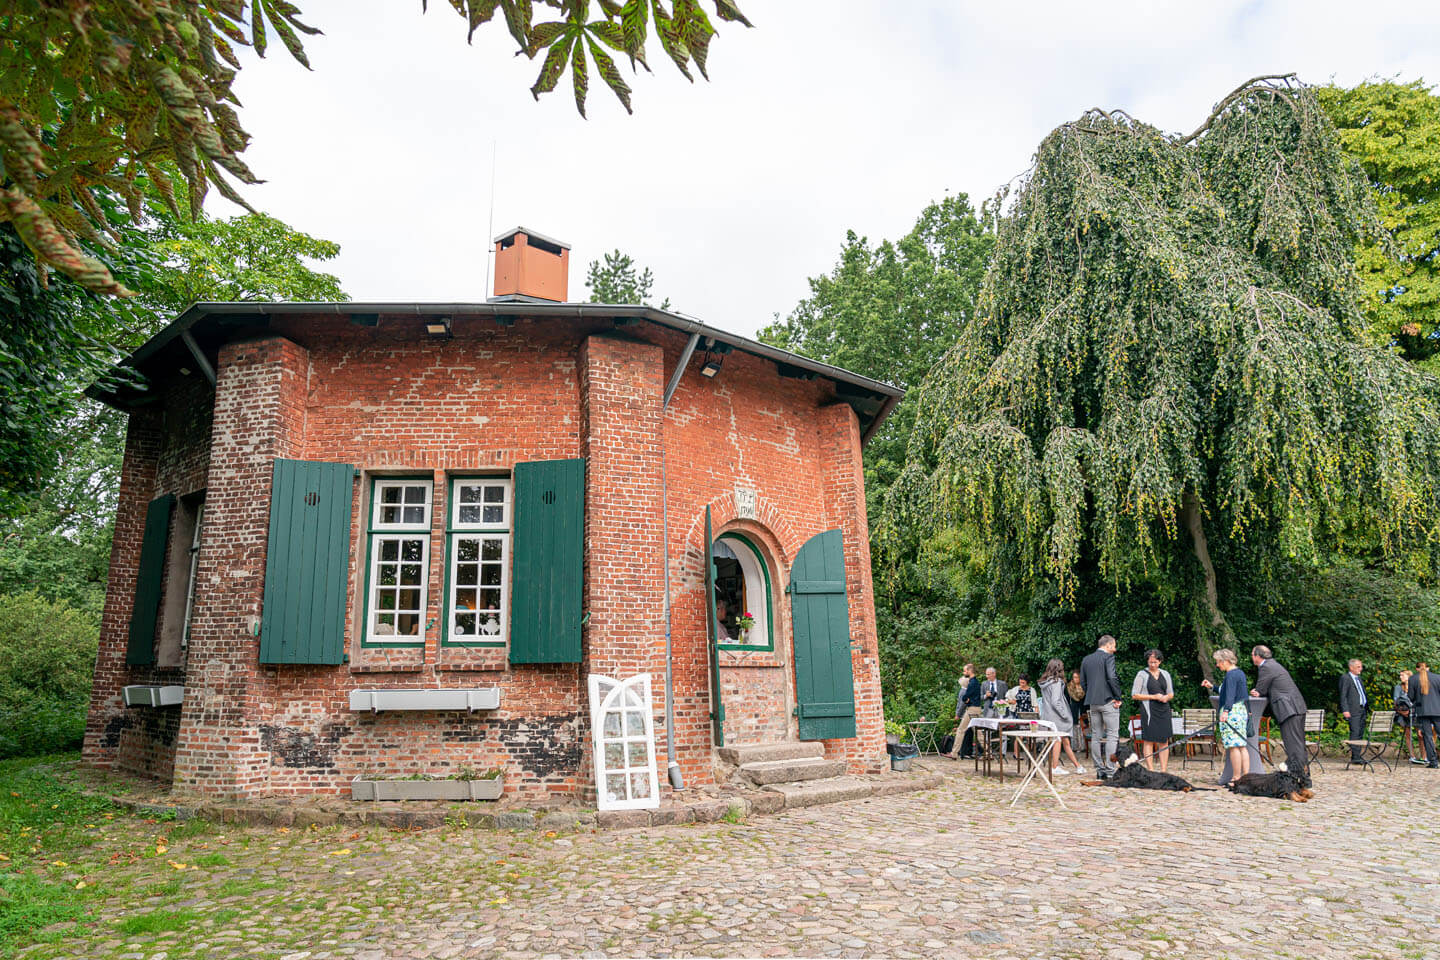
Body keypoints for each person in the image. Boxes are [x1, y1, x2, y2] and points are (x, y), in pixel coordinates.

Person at [1250, 645, 1308, 776]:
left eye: (1253, 654)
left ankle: (1297, 775)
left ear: (1258, 656)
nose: (1252, 657)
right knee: (1299, 743)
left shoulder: (1266, 667)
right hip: (1297, 707)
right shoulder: (1274, 664)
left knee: (1293, 745)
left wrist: (1256, 692)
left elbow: (1261, 690)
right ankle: (1304, 776)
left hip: (1288, 709)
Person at [1202, 648, 1250, 780]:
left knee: (1234, 746)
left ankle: (1236, 778)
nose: (1217, 665)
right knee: (1241, 745)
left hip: (1232, 712)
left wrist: (1226, 711)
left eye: (1218, 662)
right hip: (1240, 711)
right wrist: (1212, 687)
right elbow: (1226, 690)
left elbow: (1230, 695)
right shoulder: (1239, 673)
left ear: (1226, 661)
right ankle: (1246, 778)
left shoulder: (1230, 675)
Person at [1081, 634, 1123, 778]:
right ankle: (1110, 770)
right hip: (1108, 700)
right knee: (1112, 735)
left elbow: (1083, 682)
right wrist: (1117, 697)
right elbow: (1112, 677)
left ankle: (1099, 770)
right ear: (1108, 645)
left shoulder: (1086, 659)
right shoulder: (1108, 658)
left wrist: (1091, 694)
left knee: (1096, 736)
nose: (1115, 649)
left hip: (1093, 702)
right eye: (1114, 645)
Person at [1131, 649, 1174, 772]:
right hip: (1149, 710)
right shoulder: (1141, 674)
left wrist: (1166, 697)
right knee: (1149, 740)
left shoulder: (1165, 674)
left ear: (1160, 661)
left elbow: (1171, 693)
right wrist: (1154, 697)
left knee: (1164, 740)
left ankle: (1163, 770)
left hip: (1164, 709)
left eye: (1155, 662)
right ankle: (1150, 770)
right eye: (1150, 662)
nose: (1152, 665)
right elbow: (1135, 695)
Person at [1040, 659, 1085, 775]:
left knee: (1065, 741)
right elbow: (1056, 701)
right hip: (1057, 717)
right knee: (1059, 740)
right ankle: (1055, 767)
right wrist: (1065, 714)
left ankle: (1078, 766)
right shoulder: (1056, 682)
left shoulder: (1045, 682)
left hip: (1048, 715)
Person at [946, 663, 982, 759]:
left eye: (965, 670)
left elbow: (966, 696)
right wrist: (967, 699)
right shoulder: (975, 682)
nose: (963, 672)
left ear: (970, 671)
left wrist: (966, 699)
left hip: (972, 709)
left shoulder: (972, 683)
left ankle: (954, 753)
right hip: (975, 708)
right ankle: (989, 752)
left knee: (961, 730)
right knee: (978, 732)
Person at [1408, 662, 1440, 769]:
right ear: (1428, 668)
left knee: (1428, 736)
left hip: (1422, 711)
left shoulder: (1413, 679)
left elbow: (1410, 697)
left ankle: (1433, 762)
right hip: (1437, 710)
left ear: (1417, 669)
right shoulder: (1437, 677)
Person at [1339, 658, 1368, 764]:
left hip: (1362, 709)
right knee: (1355, 732)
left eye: (1361, 666)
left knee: (1360, 732)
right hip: (1353, 709)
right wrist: (1345, 709)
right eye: (1358, 667)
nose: (1361, 669)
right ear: (1351, 667)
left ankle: (1357, 755)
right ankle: (1355, 757)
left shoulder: (1359, 679)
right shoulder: (1345, 678)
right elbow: (1343, 695)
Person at [1395, 669, 1417, 763]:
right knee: (1408, 734)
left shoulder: (1415, 687)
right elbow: (1395, 701)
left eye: (1402, 675)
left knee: (1420, 734)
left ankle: (1424, 757)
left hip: (1415, 712)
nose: (1401, 677)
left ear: (1409, 676)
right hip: (1403, 713)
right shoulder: (1398, 687)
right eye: (1400, 675)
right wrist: (1402, 711)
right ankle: (1412, 756)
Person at [1066, 669, 1088, 758]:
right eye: (1074, 677)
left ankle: (1084, 746)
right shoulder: (1069, 687)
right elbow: (1067, 700)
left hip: (1083, 708)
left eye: (1077, 677)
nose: (1076, 679)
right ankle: (1075, 746)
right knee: (1074, 727)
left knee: (1084, 727)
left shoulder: (1084, 686)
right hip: (1073, 709)